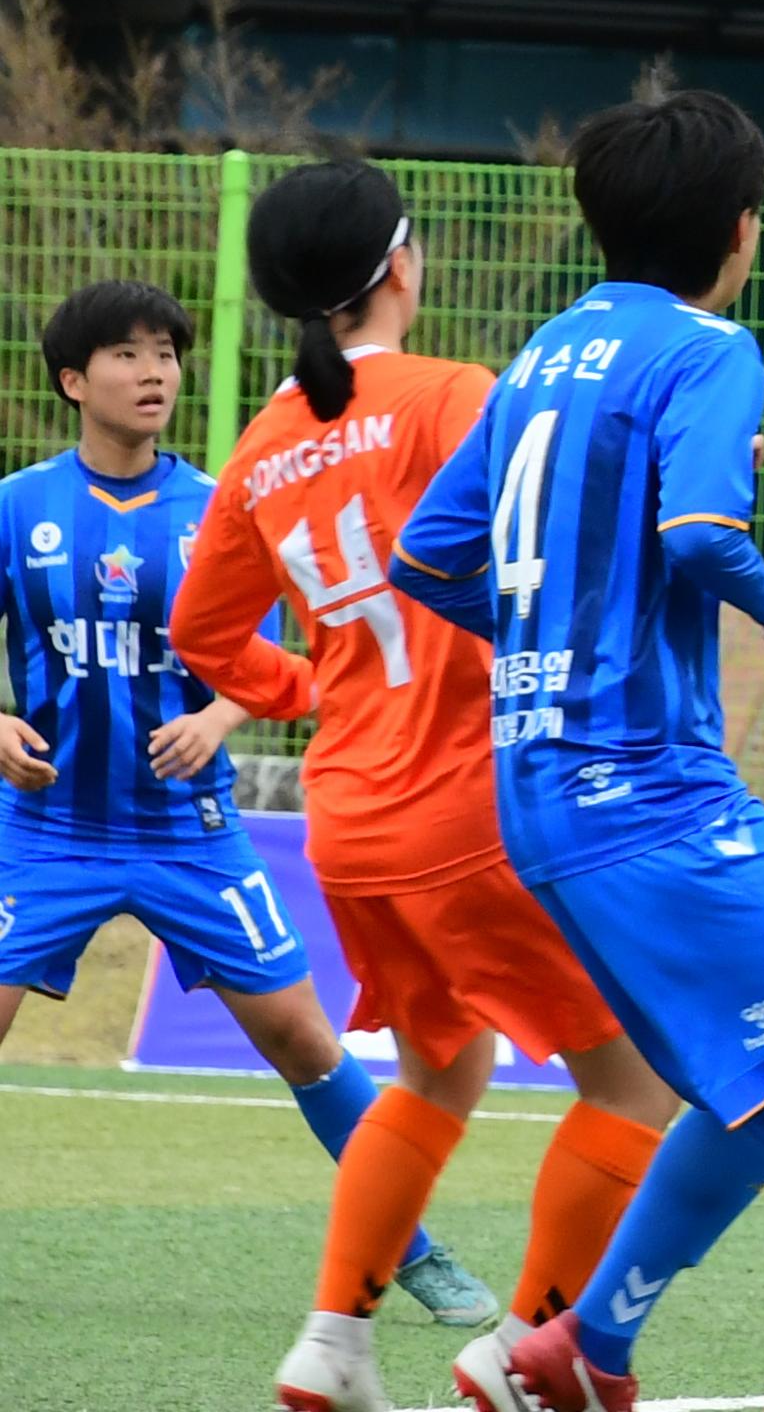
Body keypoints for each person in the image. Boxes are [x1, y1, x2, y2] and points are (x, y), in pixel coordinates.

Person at [391, 89, 764, 1412]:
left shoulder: (539, 357)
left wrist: (556, 629)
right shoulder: (707, 347)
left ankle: (583, 1348)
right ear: (745, 230)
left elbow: (426, 559)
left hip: (543, 796)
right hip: (642, 782)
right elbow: (701, 533)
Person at [172, 164, 679, 1412]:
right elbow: (564, 549)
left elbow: (205, 634)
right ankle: (527, 1347)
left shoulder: (260, 447)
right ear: (402, 264)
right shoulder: (459, 397)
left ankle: (332, 1341)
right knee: (637, 1083)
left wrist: (323, 687)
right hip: (471, 807)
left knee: (436, 1070)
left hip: (351, 820)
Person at [0, 278, 497, 1335]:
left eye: (167, 354)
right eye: (128, 355)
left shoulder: (227, 500)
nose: (154, 373)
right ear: (73, 380)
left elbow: (305, 653)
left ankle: (410, 1246)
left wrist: (222, 715)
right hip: (47, 835)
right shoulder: (17, 505)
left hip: (193, 833)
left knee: (306, 1040)